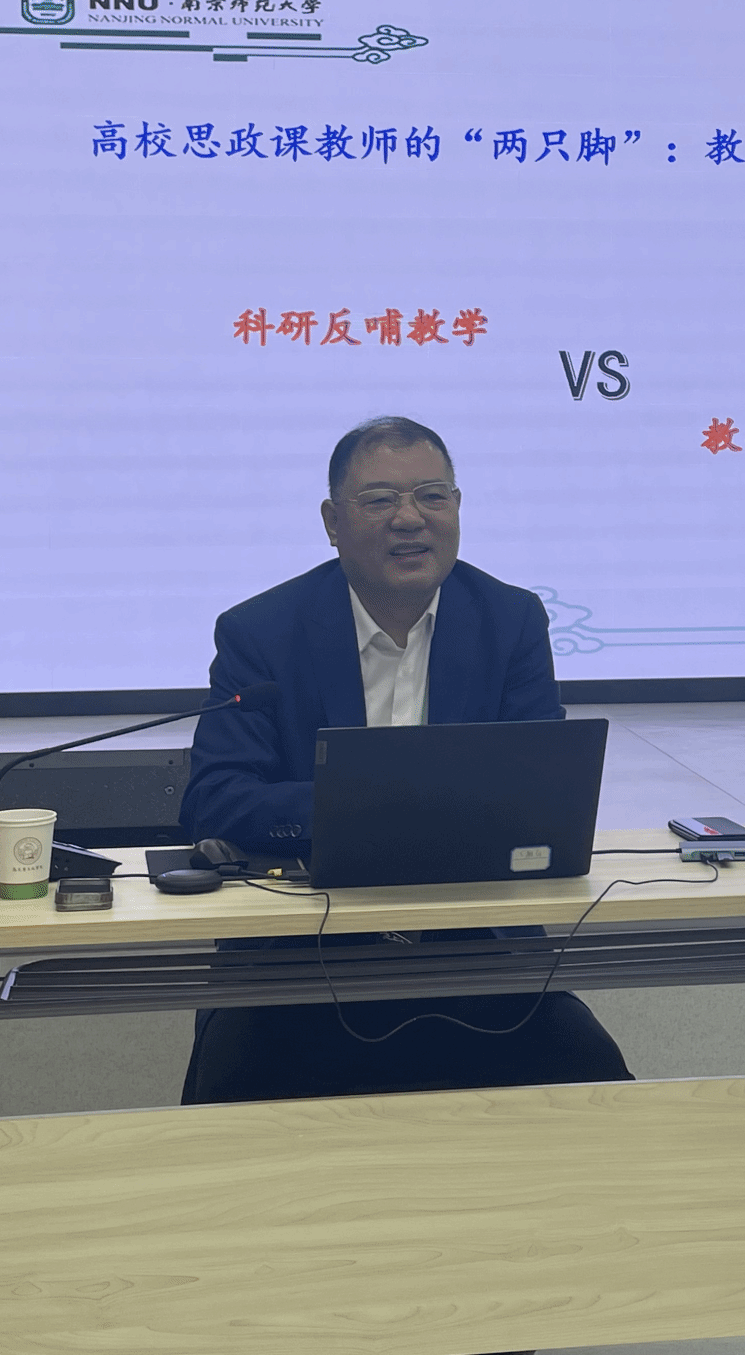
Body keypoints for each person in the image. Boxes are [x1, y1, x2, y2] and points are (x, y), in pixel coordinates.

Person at [178, 416, 632, 1106]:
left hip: (479, 946)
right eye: (380, 500)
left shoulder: (509, 621)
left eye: (432, 496)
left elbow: (542, 793)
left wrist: (397, 805)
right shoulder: (262, 632)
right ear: (332, 522)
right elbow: (215, 800)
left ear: (457, 507)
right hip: (299, 950)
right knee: (225, 1106)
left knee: (602, 1090)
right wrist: (373, 802)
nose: (410, 518)